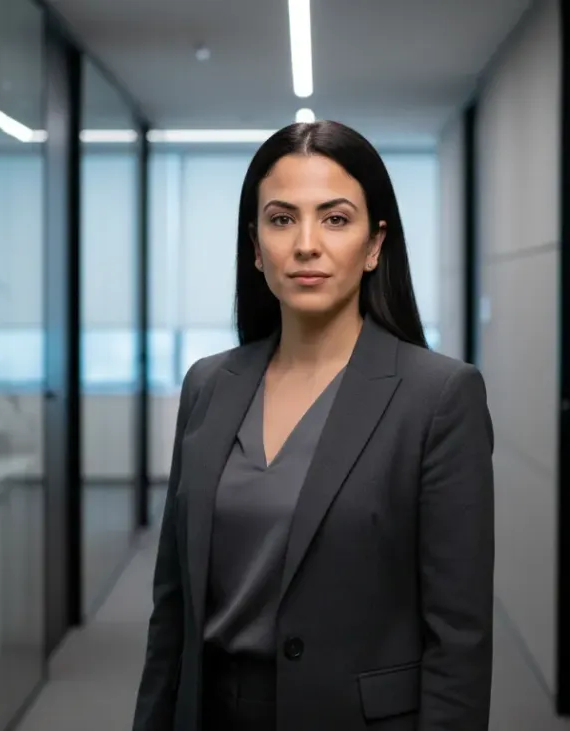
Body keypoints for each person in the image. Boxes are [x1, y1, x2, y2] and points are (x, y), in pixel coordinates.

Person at [132, 120, 494, 731]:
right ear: (254, 246)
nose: (306, 244)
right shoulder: (208, 386)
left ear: (375, 244)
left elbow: (458, 639)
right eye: (281, 219)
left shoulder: (438, 397)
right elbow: (173, 609)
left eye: (335, 218)